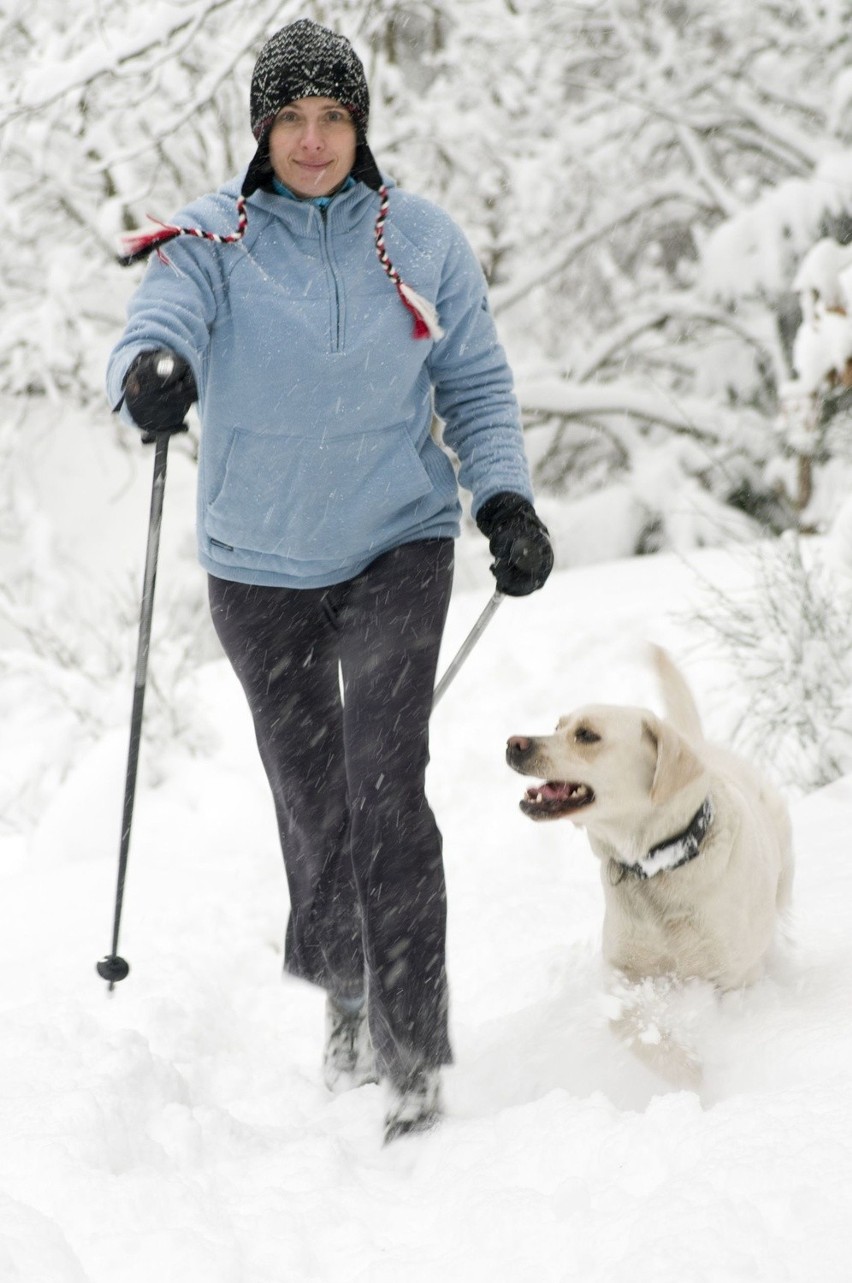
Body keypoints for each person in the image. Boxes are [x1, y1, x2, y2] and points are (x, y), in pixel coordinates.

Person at [106, 18, 553, 1143]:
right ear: (263, 127)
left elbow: (478, 385)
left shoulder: (423, 237)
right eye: (293, 118)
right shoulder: (211, 237)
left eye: (335, 117)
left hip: (397, 543)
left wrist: (502, 499)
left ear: (361, 124)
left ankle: (412, 1055)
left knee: (385, 784)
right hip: (260, 567)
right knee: (314, 805)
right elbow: (157, 323)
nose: (314, 140)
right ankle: (349, 989)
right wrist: (153, 374)